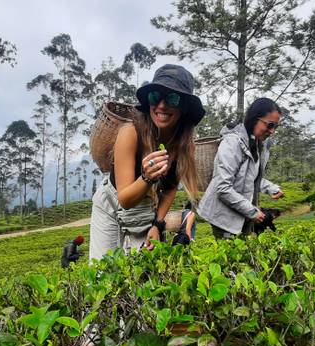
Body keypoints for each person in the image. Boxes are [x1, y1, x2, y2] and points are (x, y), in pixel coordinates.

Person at [89, 64, 205, 259]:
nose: (161, 105)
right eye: (155, 97)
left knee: (143, 268)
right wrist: (147, 178)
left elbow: (169, 189)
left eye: (172, 98)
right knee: (104, 271)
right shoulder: (131, 133)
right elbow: (124, 200)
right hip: (111, 202)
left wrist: (157, 225)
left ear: (184, 106)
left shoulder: (184, 145)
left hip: (146, 205)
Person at [198, 98, 286, 239]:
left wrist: (271, 188)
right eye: (270, 125)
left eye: (276, 126)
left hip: (241, 214)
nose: (272, 131)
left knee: (242, 255)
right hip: (224, 216)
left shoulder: (256, 144)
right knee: (230, 258)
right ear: (254, 119)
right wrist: (252, 212)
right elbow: (223, 187)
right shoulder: (232, 143)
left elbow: (248, 178)